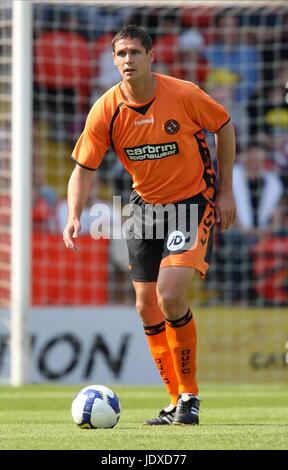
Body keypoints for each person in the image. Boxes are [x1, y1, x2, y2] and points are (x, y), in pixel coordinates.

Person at [63, 25, 236, 425]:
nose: (127, 61)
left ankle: (190, 396)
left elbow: (224, 126)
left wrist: (224, 192)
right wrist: (74, 215)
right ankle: (175, 400)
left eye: (135, 53)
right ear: (113, 60)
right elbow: (82, 169)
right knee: (145, 305)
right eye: (121, 55)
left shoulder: (184, 94)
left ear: (151, 56)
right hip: (143, 208)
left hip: (192, 201)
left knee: (170, 294)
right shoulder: (106, 109)